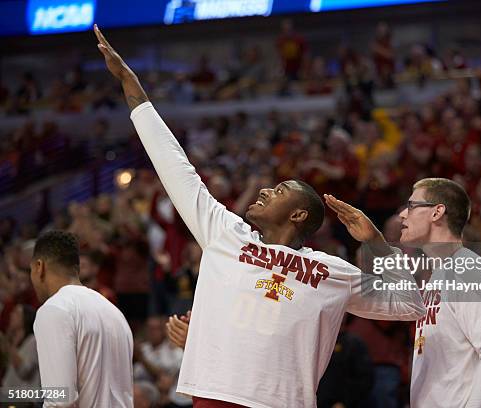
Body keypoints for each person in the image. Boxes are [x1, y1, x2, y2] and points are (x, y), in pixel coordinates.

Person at [94, 25, 425, 408]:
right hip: (216, 396)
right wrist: (133, 88)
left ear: (299, 214)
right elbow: (175, 166)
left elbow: (410, 305)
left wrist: (375, 243)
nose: (267, 190)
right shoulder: (227, 233)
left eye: (280, 191)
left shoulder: (331, 271)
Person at [324, 177, 481, 407]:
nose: (403, 214)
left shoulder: (469, 271)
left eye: (412, 206)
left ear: (437, 213)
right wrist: (376, 242)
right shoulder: (440, 274)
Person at [29, 230, 133, 406]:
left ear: (40, 267)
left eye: (30, 270)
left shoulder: (54, 309)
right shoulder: (115, 312)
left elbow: (61, 399)